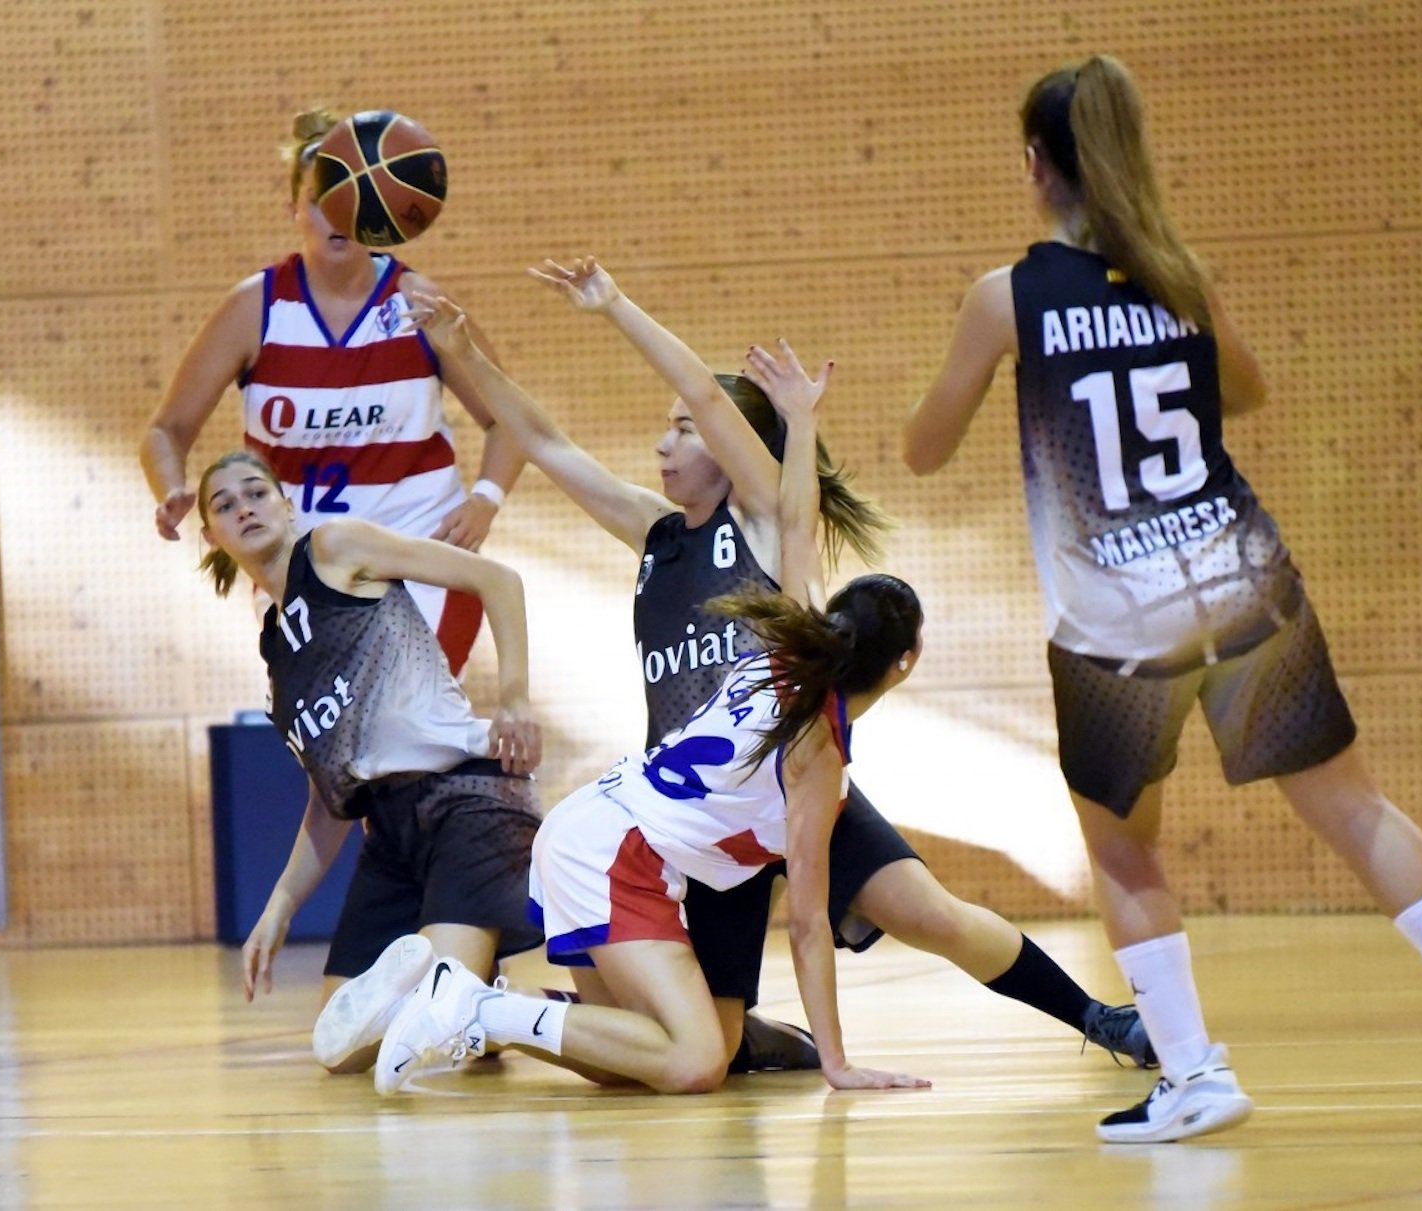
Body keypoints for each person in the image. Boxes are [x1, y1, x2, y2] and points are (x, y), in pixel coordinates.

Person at [901, 55, 1422, 1142]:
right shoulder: (1176, 272)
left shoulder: (1005, 298)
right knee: (1354, 806)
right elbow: (1245, 389)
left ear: (1034, 168)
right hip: (1236, 580)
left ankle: (1195, 1074)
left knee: (1122, 850)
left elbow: (923, 451)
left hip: (1113, 625)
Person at [398, 262, 1154, 1075]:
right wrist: (464, 355)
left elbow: (717, 398)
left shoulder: (760, 525)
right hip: (703, 819)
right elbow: (545, 441)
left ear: (730, 450)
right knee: (705, 1045)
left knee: (928, 911)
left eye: (684, 428)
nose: (666, 440)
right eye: (668, 425)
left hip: (793, 780)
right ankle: (718, 1036)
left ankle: (1097, 1016)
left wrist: (616, 305)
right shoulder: (658, 536)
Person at [375, 361, 928, 1094]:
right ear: (904, 665)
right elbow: (806, 923)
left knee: (639, 1056)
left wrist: (801, 425)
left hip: (597, 831)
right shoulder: (819, 747)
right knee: (696, 1059)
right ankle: (478, 1005)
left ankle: (466, 1005)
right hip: (616, 849)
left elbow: (797, 522)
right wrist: (838, 1063)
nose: (668, 441)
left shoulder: (786, 651)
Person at [194, 449, 543, 1075]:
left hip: (466, 800)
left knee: (425, 1021)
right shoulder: (277, 653)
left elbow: (498, 580)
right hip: (389, 835)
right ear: (211, 536)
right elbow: (330, 806)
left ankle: (507, 1004)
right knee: (342, 1048)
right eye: (225, 504)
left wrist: (515, 697)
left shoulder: (334, 547)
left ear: (286, 503)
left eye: (256, 492)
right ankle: (483, 1004)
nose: (244, 507)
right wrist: (278, 911)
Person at [142, 107, 525, 674]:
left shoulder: (418, 303)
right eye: (326, 195)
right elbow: (166, 431)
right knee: (343, 752)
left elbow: (511, 417)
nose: (341, 212)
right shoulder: (257, 308)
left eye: (356, 195)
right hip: (300, 565)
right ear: (295, 208)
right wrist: (170, 487)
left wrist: (486, 499)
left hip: (420, 550)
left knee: (404, 727)